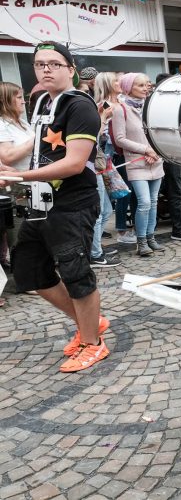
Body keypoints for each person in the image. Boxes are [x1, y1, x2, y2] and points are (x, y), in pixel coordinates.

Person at [0, 41, 111, 372]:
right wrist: (19, 174)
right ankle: (90, 323)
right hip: (41, 201)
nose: (46, 69)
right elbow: (39, 148)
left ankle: (93, 342)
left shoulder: (80, 106)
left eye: (53, 63)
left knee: (76, 272)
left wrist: (17, 175)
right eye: (39, 64)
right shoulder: (40, 101)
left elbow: (75, 164)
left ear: (70, 69)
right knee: (28, 268)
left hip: (73, 201)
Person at [112, 73, 165, 257]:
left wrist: (156, 152)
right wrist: (145, 150)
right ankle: (141, 241)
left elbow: (159, 132)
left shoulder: (150, 106)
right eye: (140, 85)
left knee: (154, 202)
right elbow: (119, 139)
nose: (146, 88)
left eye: (146, 85)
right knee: (144, 202)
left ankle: (151, 238)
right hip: (136, 163)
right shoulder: (121, 109)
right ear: (128, 88)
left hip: (156, 161)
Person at [88, 73, 123, 267]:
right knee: (100, 211)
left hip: (104, 162)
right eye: (116, 81)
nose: (119, 83)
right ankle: (95, 253)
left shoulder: (109, 105)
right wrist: (103, 118)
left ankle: (96, 248)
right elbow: (96, 137)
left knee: (106, 210)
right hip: (97, 164)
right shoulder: (101, 106)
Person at [0, 82, 34, 269]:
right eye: (19, 97)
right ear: (6, 100)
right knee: (20, 233)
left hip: (31, 182)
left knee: (33, 231)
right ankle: (24, 276)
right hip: (15, 186)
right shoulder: (1, 124)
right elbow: (8, 156)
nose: (23, 101)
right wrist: (35, 140)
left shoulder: (22, 123)